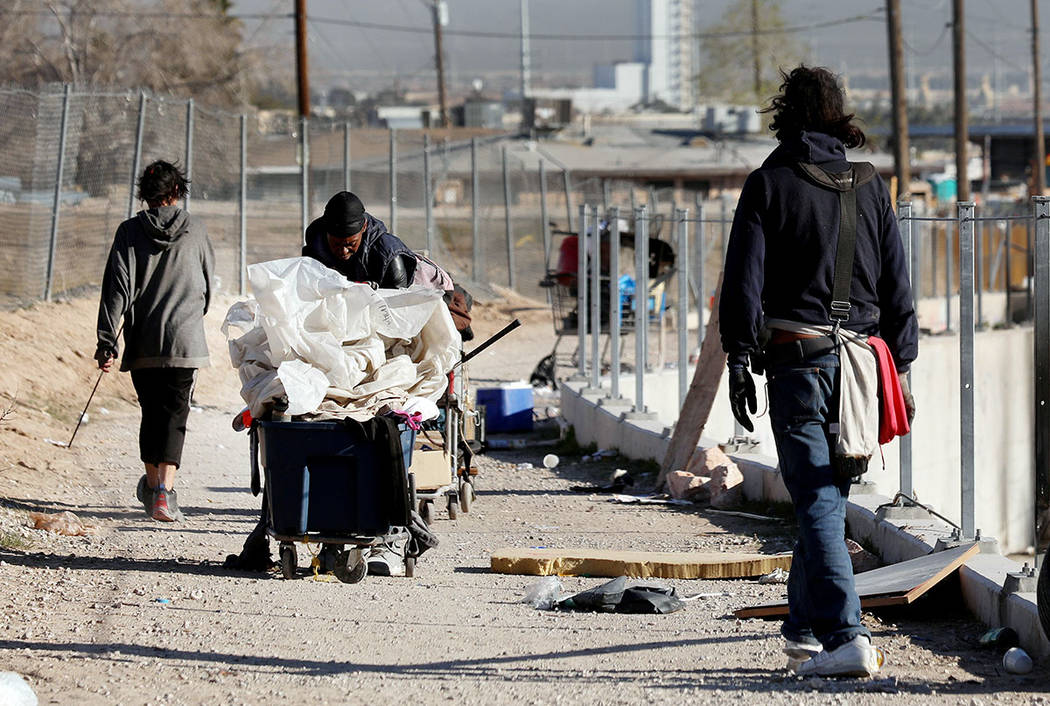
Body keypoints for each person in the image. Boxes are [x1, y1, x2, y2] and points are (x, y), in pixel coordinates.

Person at [719, 66, 918, 678]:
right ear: (839, 117)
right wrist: (903, 363)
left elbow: (744, 283)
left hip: (798, 362)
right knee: (827, 498)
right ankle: (804, 630)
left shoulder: (769, 183)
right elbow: (895, 282)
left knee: (816, 503)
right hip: (862, 365)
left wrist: (739, 355)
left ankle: (844, 636)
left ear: (784, 115)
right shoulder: (869, 184)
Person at [96, 160, 214, 522]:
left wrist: (106, 341)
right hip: (185, 342)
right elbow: (208, 286)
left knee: (151, 414)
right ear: (177, 191)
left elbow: (117, 288)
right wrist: (190, 317)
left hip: (144, 342)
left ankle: (152, 489)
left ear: (144, 195)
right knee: (175, 414)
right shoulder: (195, 228)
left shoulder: (129, 231)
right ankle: (165, 490)